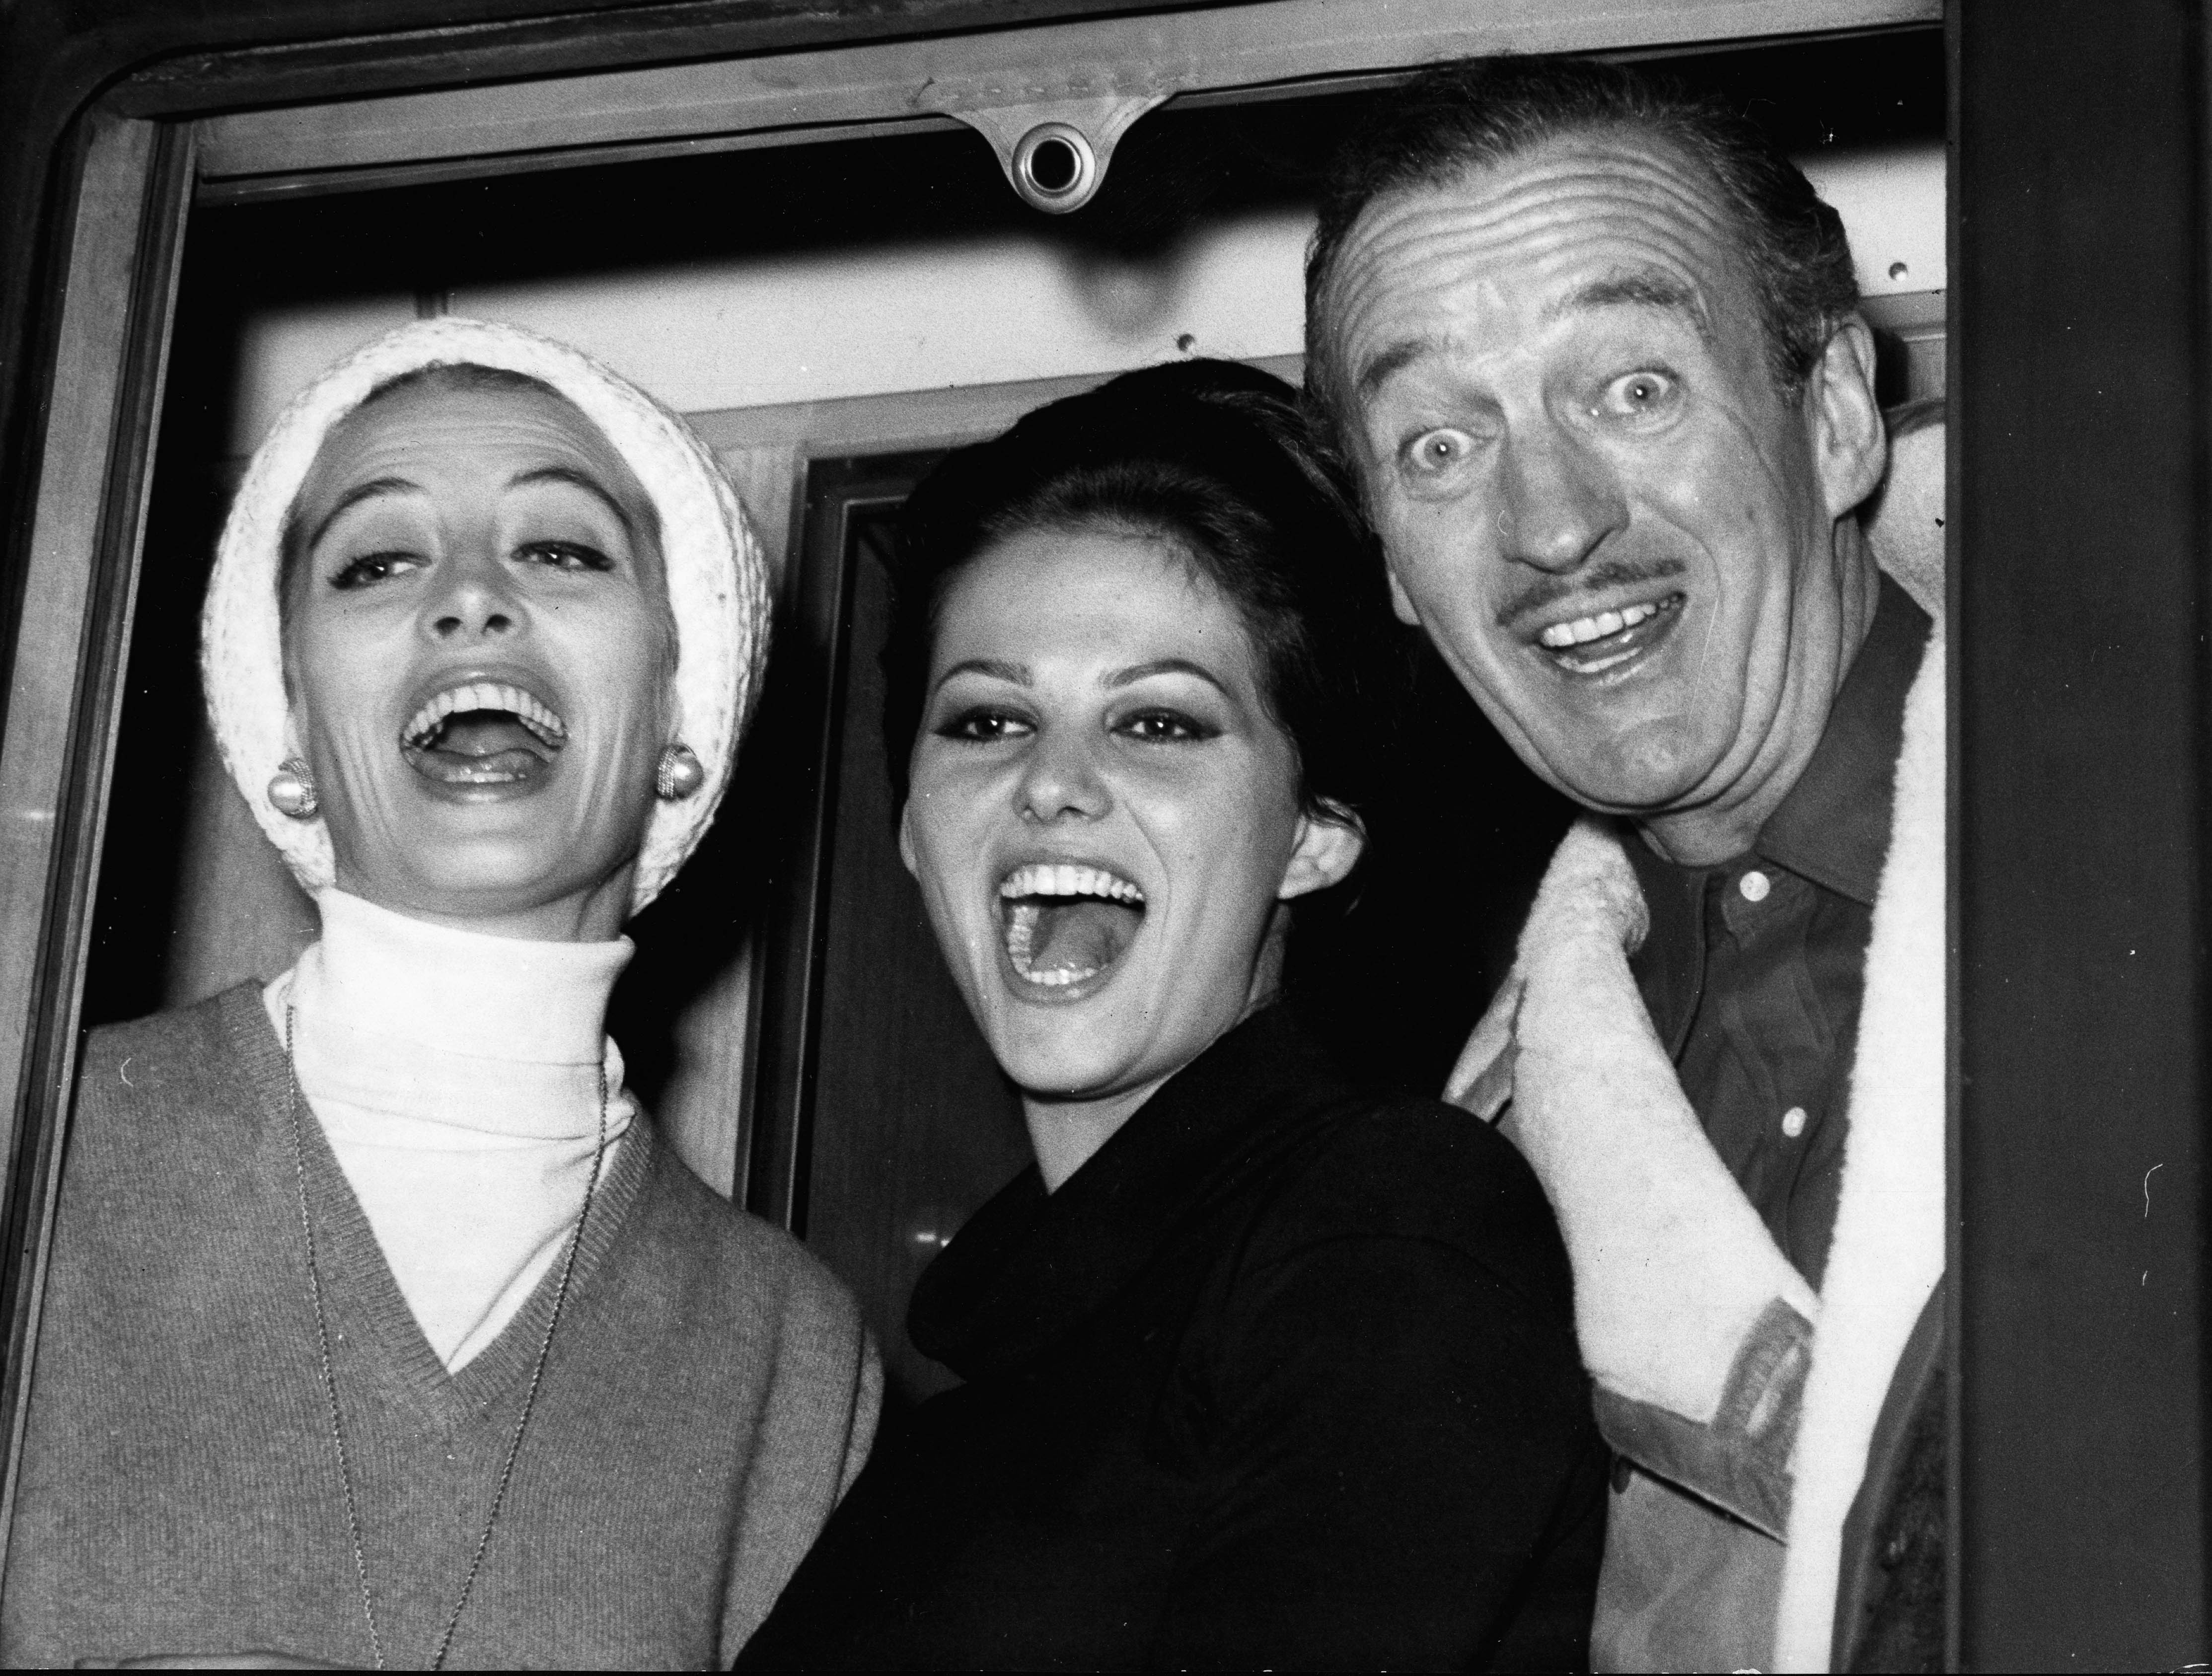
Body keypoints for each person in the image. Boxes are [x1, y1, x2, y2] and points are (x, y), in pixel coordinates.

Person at [3, 318, 879, 1669]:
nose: (471, 597)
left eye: (562, 549)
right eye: (378, 561)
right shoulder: (34, 1152)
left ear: (682, 712)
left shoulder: (793, 1357)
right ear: (290, 725)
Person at [736, 359, 1607, 1671]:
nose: (1051, 784)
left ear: (1315, 834)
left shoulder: (1388, 1226)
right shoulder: (978, 1389)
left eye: (1156, 722)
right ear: (913, 827)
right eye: (987, 720)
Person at [1303, 57, 1945, 1673]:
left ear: (1835, 415)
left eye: (1633, 390)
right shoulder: (1457, 1169)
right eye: (1439, 447)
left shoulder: (2146, 876)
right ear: (1393, 566)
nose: (1551, 523)